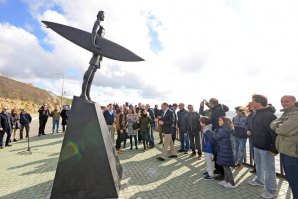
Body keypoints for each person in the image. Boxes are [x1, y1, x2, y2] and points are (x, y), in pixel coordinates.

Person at [248, 94, 278, 199]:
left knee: (269, 169)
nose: (251, 102)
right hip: (257, 145)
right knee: (259, 165)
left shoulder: (269, 115)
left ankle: (271, 190)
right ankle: (259, 180)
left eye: (253, 100)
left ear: (258, 102)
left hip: (266, 147)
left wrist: (274, 149)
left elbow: (274, 133)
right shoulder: (257, 113)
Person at [270, 95, 298, 199]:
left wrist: (279, 125)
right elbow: (272, 125)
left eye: (287, 101)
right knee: (292, 180)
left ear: (294, 101)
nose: (283, 103)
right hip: (286, 151)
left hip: (293, 153)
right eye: (282, 101)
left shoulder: (296, 114)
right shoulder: (286, 113)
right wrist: (280, 124)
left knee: (295, 182)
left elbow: (283, 130)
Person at [80, 10, 105, 101]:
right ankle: (83, 94)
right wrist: (93, 43)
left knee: (92, 77)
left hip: (98, 56)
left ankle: (87, 94)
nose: (104, 16)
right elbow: (93, 31)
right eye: (103, 15)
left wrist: (102, 56)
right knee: (88, 75)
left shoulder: (101, 27)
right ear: (99, 15)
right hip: (95, 54)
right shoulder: (97, 22)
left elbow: (102, 42)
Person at [214, 116, 236, 188]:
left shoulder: (222, 130)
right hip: (225, 149)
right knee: (225, 166)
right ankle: (226, 181)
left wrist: (214, 132)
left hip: (224, 149)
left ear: (224, 121)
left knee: (226, 167)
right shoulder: (227, 128)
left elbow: (216, 138)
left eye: (220, 120)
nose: (218, 122)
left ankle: (232, 183)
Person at [245, 102, 256, 173]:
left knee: (260, 153)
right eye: (249, 106)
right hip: (251, 137)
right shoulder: (249, 115)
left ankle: (260, 170)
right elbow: (246, 124)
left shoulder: (259, 114)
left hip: (259, 137)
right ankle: (256, 167)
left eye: (251, 105)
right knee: (253, 152)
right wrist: (247, 130)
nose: (250, 107)